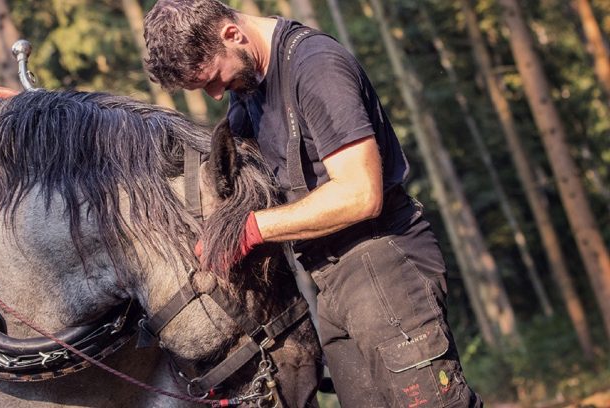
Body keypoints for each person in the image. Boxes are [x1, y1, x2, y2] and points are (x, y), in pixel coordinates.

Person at [143, 1, 483, 406]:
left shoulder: (315, 66)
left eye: (215, 79)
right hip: (329, 280)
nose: (216, 95)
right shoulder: (250, 90)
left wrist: (251, 230)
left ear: (232, 35)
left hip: (383, 261)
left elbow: (360, 193)